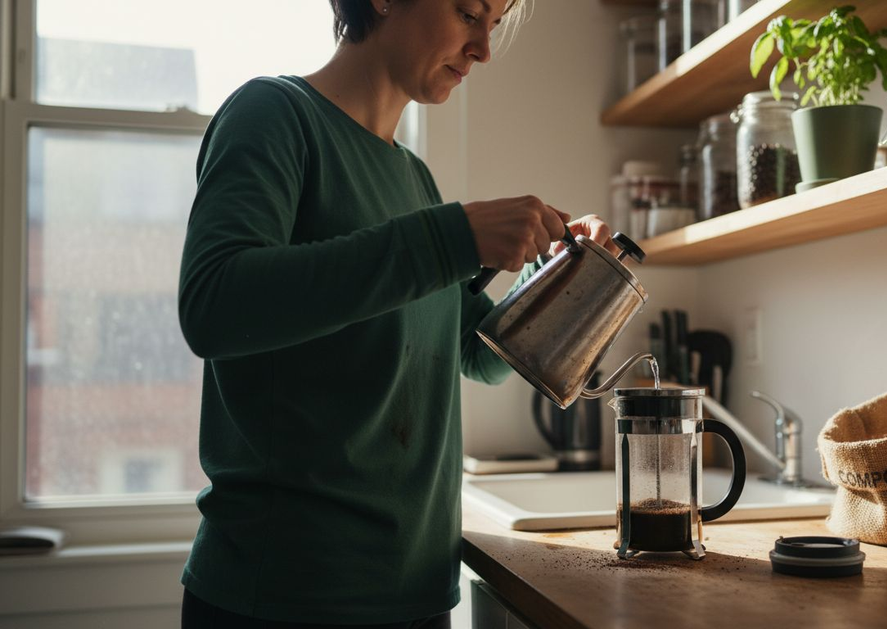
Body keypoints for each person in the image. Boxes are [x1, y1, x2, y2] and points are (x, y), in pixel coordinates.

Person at [176, 0, 614, 627]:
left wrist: (569, 286)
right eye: (469, 13)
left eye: (493, 26)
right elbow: (213, 304)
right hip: (284, 596)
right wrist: (449, 238)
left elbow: (478, 354)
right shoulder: (273, 115)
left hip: (418, 595)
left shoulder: (415, 180)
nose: (483, 50)